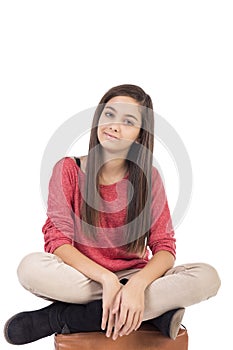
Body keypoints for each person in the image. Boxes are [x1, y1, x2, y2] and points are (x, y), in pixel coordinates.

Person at [4, 84, 221, 346]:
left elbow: (164, 248)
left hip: (135, 277)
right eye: (109, 115)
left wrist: (137, 286)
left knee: (207, 277)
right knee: (30, 268)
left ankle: (66, 317)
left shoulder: (148, 178)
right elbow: (57, 242)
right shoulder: (68, 169)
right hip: (84, 278)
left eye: (128, 121)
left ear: (140, 136)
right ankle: (152, 314)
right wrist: (106, 279)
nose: (114, 125)